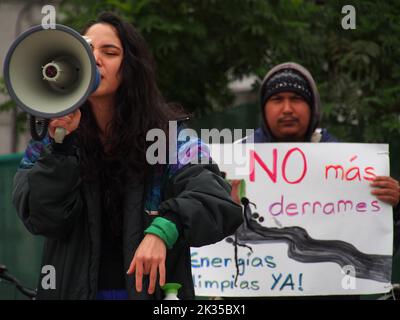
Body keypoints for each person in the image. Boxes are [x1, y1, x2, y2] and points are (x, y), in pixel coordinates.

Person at [12, 12, 242, 300]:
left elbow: (216, 200)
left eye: (109, 52)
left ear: (131, 67)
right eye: (86, 50)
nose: (95, 59)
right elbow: (43, 218)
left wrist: (164, 229)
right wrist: (60, 148)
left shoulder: (169, 139)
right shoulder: (51, 139)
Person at [242, 61, 400, 298]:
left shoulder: (353, 169)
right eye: (277, 99)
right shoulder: (235, 161)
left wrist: (395, 206)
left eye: (296, 98)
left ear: (313, 106)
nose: (287, 108)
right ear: (264, 109)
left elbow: (378, 243)